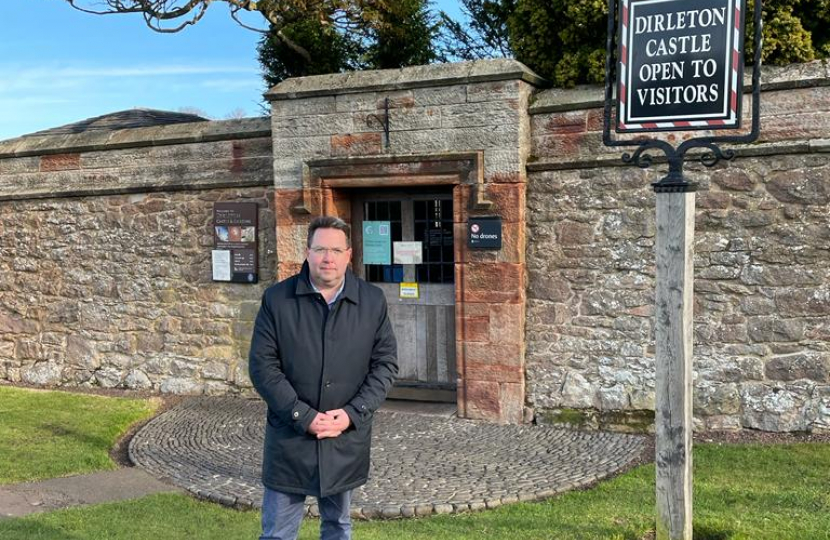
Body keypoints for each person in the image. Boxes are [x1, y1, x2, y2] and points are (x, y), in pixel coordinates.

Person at [249, 215, 398, 540]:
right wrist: (302, 415)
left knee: (338, 528)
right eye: (319, 249)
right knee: (277, 534)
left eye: (335, 250)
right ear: (307, 252)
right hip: (291, 437)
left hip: (344, 437)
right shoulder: (277, 300)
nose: (327, 258)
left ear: (349, 254)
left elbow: (385, 365)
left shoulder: (372, 301)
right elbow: (262, 366)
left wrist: (351, 414)